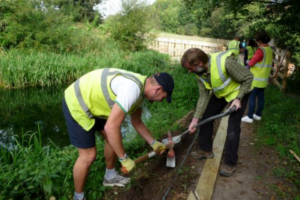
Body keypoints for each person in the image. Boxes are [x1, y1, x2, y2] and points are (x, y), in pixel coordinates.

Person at [62, 68, 174, 200]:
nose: (161, 101)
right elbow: (110, 127)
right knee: (89, 155)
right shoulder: (132, 89)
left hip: (95, 103)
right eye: (163, 97)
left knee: (114, 137)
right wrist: (124, 158)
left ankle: (110, 176)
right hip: (78, 101)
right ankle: (78, 197)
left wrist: (154, 143)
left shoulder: (142, 92)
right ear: (158, 89)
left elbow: (136, 122)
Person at [181, 48, 253, 177]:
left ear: (199, 63)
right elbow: (203, 96)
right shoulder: (200, 73)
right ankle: (206, 150)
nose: (189, 71)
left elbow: (248, 77)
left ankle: (230, 163)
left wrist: (238, 99)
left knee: (232, 128)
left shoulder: (225, 62)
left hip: (238, 92)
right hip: (221, 94)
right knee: (205, 118)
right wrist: (195, 119)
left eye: (191, 68)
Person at [242, 33, 273, 123]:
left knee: (252, 97)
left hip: (256, 79)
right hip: (264, 79)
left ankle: (250, 116)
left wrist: (248, 61)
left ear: (259, 41)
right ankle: (258, 115)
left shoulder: (261, 50)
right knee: (261, 97)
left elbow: (251, 63)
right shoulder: (269, 49)